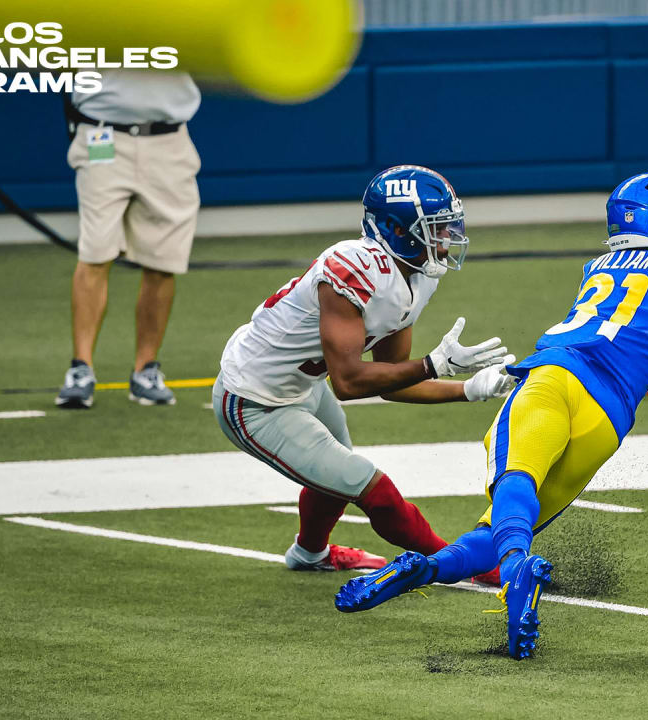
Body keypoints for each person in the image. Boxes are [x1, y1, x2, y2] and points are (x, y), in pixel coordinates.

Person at [335, 172, 648, 660]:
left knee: (515, 483)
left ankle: (512, 568)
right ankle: (429, 569)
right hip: (607, 420)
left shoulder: (600, 265)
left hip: (556, 378)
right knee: (500, 527)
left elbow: (632, 331)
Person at [213, 165, 513, 579]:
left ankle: (309, 554)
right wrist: (434, 364)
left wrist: (469, 388)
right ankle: (470, 567)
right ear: (397, 230)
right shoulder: (352, 267)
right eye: (437, 228)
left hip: (302, 382)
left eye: (449, 226)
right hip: (254, 398)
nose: (447, 238)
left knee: (336, 472)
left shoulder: (418, 274)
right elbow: (350, 383)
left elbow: (391, 379)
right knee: (371, 487)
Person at [55, 70, 205, 408]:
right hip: (102, 135)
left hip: (169, 139)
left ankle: (145, 371)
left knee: (163, 261)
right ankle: (80, 370)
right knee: (94, 252)